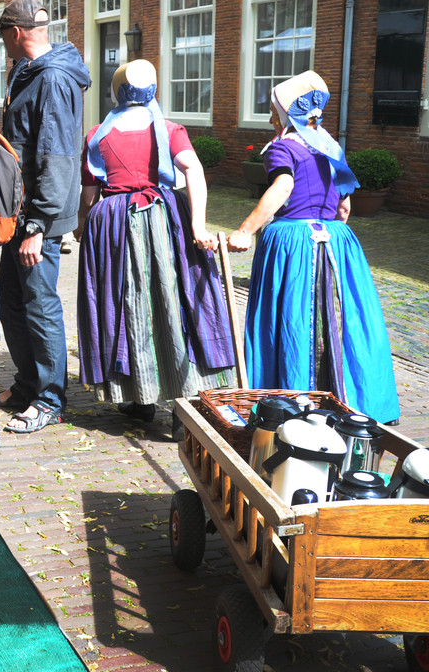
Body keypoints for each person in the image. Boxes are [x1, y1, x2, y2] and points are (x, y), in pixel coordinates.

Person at [227, 70, 400, 424]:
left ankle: (294, 402)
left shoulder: (283, 147)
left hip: (293, 245)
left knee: (293, 317)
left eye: (274, 109)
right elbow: (344, 207)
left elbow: (284, 188)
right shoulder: (330, 146)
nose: (270, 116)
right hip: (337, 242)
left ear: (286, 113)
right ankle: (343, 398)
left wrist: (246, 230)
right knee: (337, 320)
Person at [77, 60, 236, 429]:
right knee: (175, 302)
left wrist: (84, 225)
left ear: (117, 92)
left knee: (126, 305)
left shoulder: (97, 135)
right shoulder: (168, 130)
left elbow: (88, 194)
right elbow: (192, 169)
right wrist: (197, 223)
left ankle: (140, 396)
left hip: (115, 226)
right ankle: (185, 401)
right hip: (167, 222)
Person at [0, 0, 91, 434]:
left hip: (37, 222)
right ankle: (29, 383)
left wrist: (37, 225)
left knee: (40, 305)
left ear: (16, 33)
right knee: (12, 301)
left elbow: (58, 156)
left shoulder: (53, 79)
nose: (2, 44)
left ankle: (51, 399)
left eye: (2, 36)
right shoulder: (26, 72)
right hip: (20, 212)